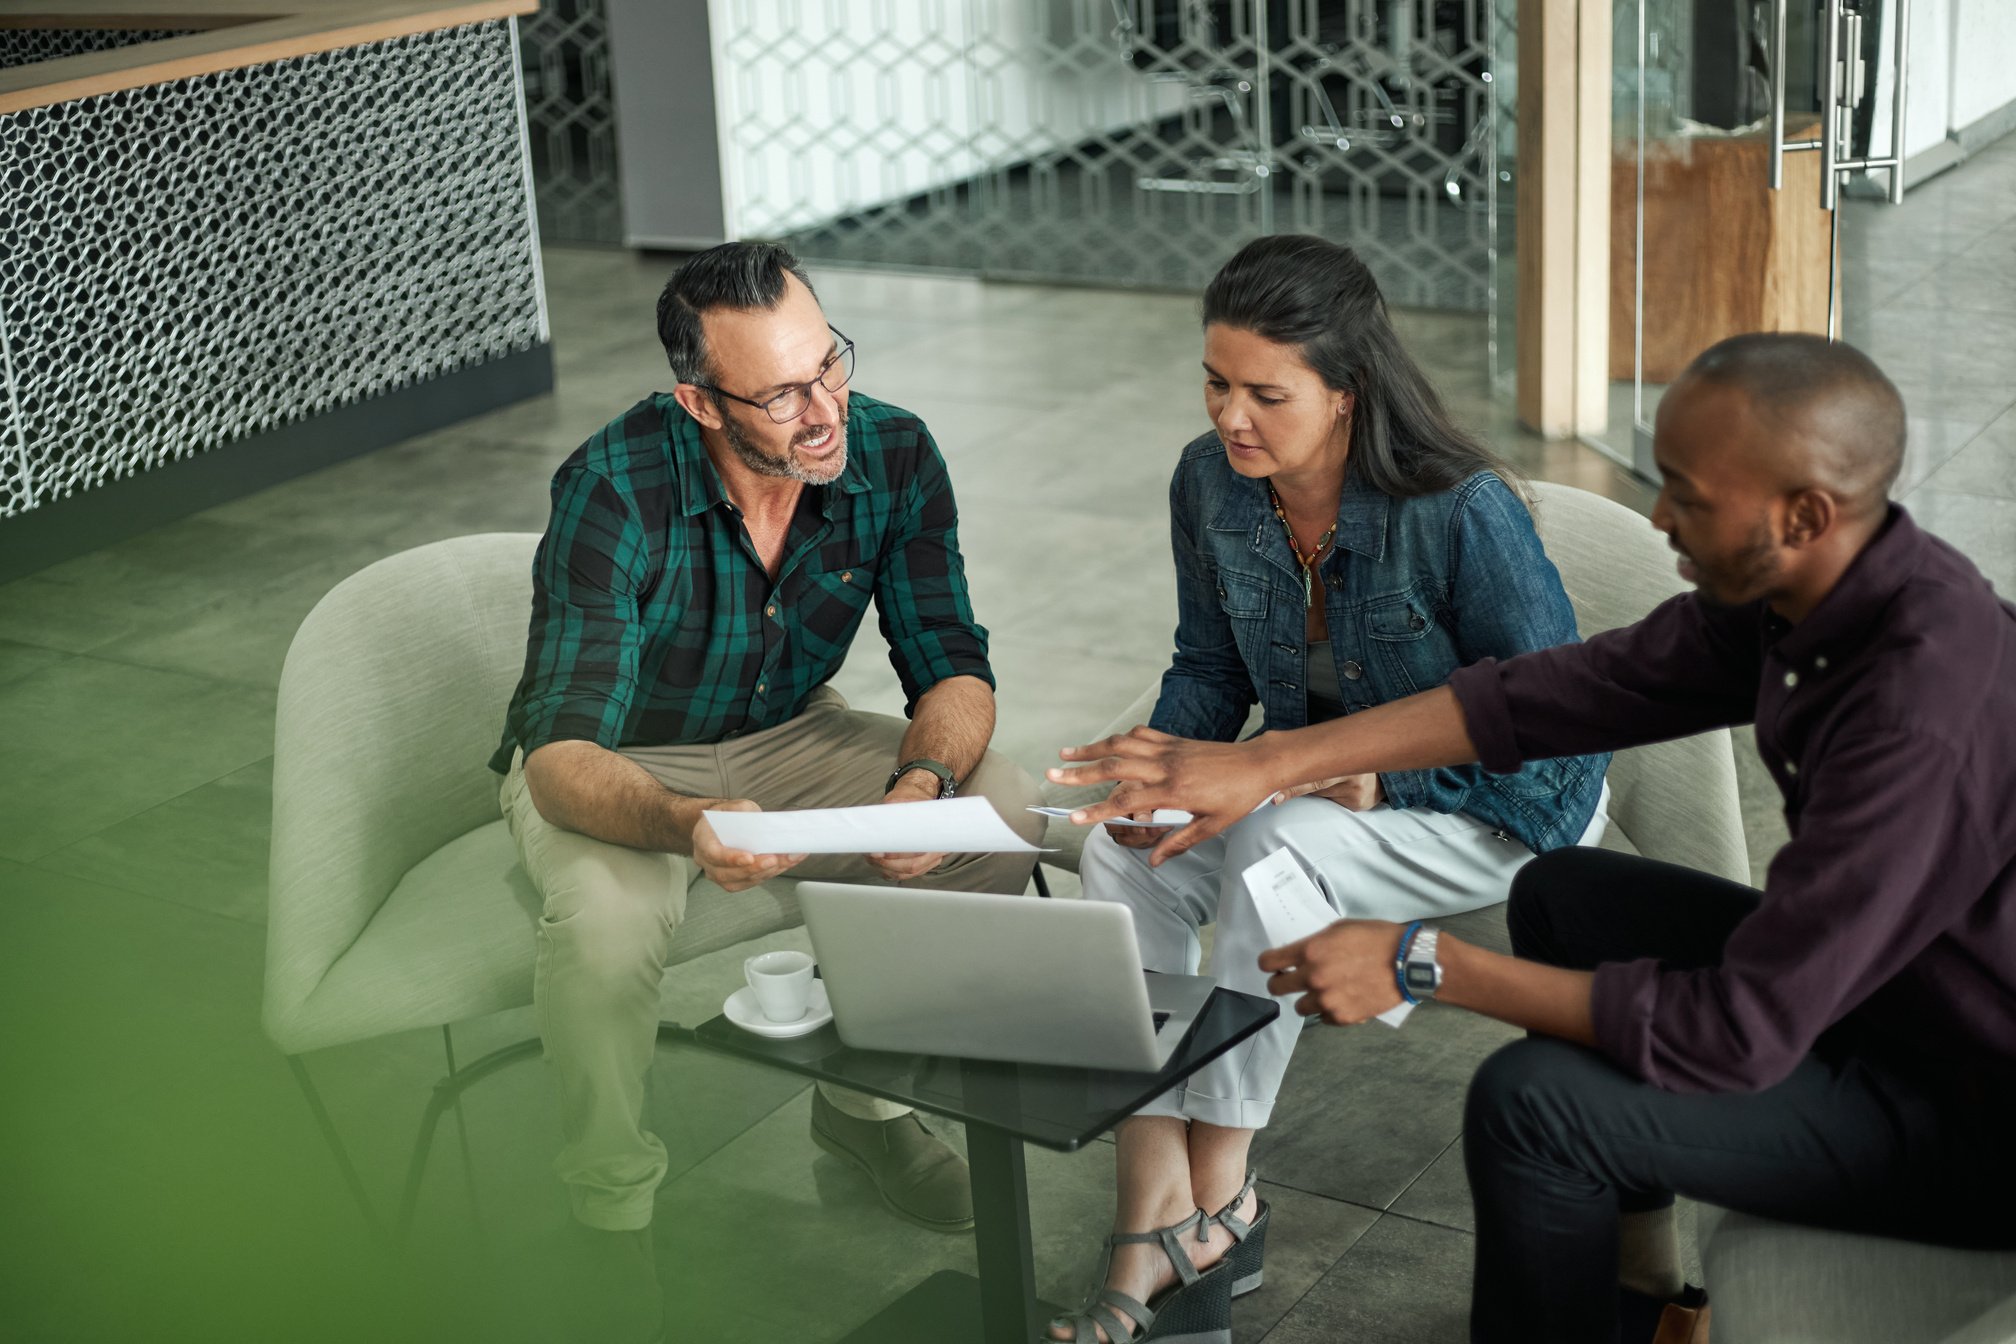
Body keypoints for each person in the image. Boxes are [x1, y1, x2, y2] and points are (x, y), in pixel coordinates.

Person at [1050, 331, 2016, 1344]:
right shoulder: (1822, 590)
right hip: (1890, 1002)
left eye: (1685, 492)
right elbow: (1563, 693)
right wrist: (1273, 762)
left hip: (1966, 1108)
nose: (1658, 514)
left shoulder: (1915, 714)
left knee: (1529, 1104)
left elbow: (1737, 1031)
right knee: (1573, 896)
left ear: (1804, 513)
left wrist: (1426, 966)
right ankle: (1632, 1297)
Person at [1046, 235, 1610, 1344]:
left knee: (1277, 847)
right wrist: (1156, 761)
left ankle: (1218, 1203)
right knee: (1123, 850)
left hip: (1496, 804)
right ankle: (1156, 1207)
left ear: (1346, 394)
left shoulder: (1460, 508)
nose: (1229, 416)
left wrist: (1384, 776)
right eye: (1215, 382)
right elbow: (1211, 668)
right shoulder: (1208, 484)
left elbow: (1556, 733)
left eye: (1267, 393)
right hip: (1314, 785)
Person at [491, 242, 1045, 1334]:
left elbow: (953, 665)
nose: (823, 407)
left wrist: (920, 782)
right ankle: (611, 1213)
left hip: (792, 735)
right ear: (699, 399)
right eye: (783, 392)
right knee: (606, 923)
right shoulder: (612, 484)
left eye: (828, 363)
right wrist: (688, 823)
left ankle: (865, 1104)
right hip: (625, 764)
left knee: (1004, 811)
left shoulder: (892, 448)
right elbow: (558, 757)